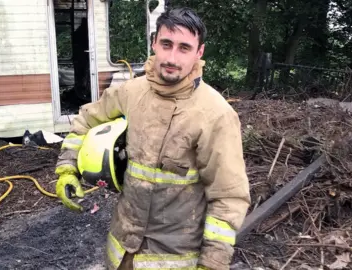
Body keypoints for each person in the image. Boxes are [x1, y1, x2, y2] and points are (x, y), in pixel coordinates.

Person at [54, 7, 251, 270]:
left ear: (199, 53)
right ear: (154, 43)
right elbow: (86, 120)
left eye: (184, 48)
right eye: (166, 44)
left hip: (175, 258)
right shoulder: (132, 91)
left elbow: (229, 196)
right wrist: (68, 168)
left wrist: (213, 262)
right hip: (122, 252)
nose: (172, 57)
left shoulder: (216, 114)